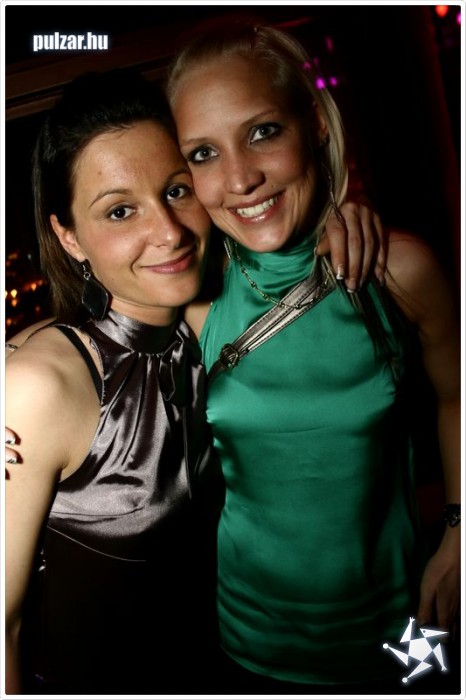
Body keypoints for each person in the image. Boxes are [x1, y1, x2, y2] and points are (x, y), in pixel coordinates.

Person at [162, 17, 461, 693]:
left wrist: (459, 534)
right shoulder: (192, 300)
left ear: (315, 127)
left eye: (262, 132)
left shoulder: (397, 271)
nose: (240, 178)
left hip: (409, 621)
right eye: (203, 153)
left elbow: (458, 395)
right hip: (252, 639)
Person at [4, 68, 225, 695]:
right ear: (68, 236)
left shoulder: (211, 329)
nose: (169, 231)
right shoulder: (40, 385)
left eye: (177, 190)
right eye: (120, 210)